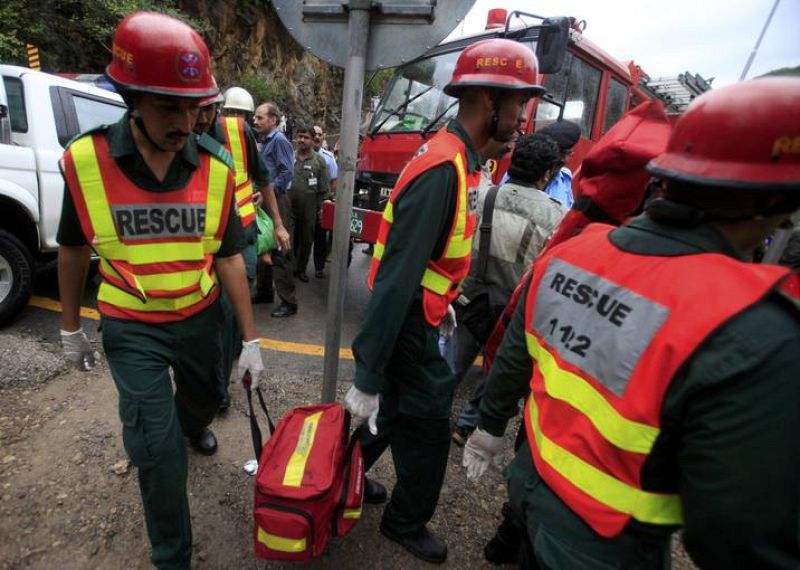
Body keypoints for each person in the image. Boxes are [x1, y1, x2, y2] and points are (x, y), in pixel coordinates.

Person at [463, 78, 800, 569]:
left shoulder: (571, 254)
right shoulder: (751, 325)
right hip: (605, 545)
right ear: (774, 202)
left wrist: (490, 424)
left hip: (530, 492)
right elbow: (740, 535)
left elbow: (516, 352)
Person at [56, 12, 265, 569]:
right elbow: (74, 248)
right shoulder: (86, 161)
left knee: (199, 403)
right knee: (157, 447)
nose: (186, 120)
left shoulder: (216, 167)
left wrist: (250, 339)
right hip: (131, 324)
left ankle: (185, 425)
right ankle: (172, 554)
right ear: (133, 99)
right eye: (170, 106)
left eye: (194, 106)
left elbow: (227, 258)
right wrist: (70, 327)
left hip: (200, 319)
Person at [344, 38, 545, 564]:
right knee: (427, 428)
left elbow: (430, 259)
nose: (523, 118)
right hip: (409, 323)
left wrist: (445, 296)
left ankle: (343, 481)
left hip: (423, 315)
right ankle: (404, 522)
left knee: (388, 413)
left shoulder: (463, 162)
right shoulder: (444, 168)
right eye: (518, 104)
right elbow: (392, 282)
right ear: (487, 101)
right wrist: (366, 374)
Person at [450, 132, 566, 446]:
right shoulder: (556, 216)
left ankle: (430, 413)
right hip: (512, 313)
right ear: (546, 174)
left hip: (470, 299)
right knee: (494, 372)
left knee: (451, 366)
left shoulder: (484, 195)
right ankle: (467, 425)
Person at [194, 85, 284, 412]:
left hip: (239, 236)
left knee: (229, 314)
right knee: (207, 319)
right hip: (196, 247)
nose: (202, 117)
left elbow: (262, 178)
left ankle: (219, 388)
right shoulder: (172, 139)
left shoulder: (237, 132)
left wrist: (277, 222)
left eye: (209, 108)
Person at [253, 101, 296, 316]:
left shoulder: (279, 141)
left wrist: (267, 192)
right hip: (263, 199)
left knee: (280, 248)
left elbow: (287, 172)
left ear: (273, 120)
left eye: (260, 118)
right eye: (255, 117)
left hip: (276, 200)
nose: (255, 121)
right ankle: (264, 291)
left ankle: (288, 301)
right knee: (263, 244)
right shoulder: (262, 141)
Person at [290, 123, 329, 282]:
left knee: (307, 240)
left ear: (313, 140)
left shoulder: (319, 161)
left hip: (310, 208)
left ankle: (301, 269)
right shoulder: (290, 156)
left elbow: (323, 190)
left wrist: (321, 210)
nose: (302, 140)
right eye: (300, 137)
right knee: (290, 239)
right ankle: (290, 268)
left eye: (306, 137)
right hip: (290, 206)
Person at [312, 124, 338, 278]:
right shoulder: (298, 155)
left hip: (322, 201)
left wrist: (329, 200)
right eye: (314, 134)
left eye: (320, 135)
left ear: (323, 137)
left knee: (320, 236)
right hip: (306, 201)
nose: (317, 137)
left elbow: (334, 181)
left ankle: (319, 267)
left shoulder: (328, 158)